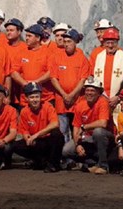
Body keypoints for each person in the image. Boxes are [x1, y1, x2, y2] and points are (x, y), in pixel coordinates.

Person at [48, 28, 91, 157]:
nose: (66, 44)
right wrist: (64, 94)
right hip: (61, 100)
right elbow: (53, 78)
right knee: (63, 130)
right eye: (65, 41)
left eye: (69, 41)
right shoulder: (57, 57)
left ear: (75, 42)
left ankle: (76, 155)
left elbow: (83, 79)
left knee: (77, 129)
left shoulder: (82, 58)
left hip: (77, 100)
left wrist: (72, 95)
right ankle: (63, 157)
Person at [14, 82, 63, 172]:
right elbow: (24, 131)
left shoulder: (48, 106)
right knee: (14, 145)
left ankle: (53, 164)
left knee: (57, 134)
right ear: (27, 99)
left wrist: (36, 135)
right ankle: (40, 161)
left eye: (37, 97)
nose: (35, 100)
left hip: (48, 141)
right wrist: (28, 138)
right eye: (32, 97)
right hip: (36, 142)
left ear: (41, 97)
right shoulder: (24, 111)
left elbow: (55, 124)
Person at [70, 77, 113, 174]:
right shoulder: (80, 105)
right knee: (67, 149)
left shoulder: (103, 102)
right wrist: (78, 144)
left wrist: (84, 127)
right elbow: (76, 126)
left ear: (98, 92)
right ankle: (92, 163)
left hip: (106, 137)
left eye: (92, 90)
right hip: (88, 138)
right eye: (87, 90)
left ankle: (103, 165)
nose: (89, 93)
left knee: (98, 132)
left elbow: (103, 123)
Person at [89, 26, 123, 108]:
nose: (110, 46)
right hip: (100, 98)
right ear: (104, 43)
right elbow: (93, 77)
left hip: (118, 99)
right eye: (107, 43)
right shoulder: (98, 57)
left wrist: (118, 96)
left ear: (117, 43)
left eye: (113, 43)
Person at [10, 23, 54, 108]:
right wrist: (25, 84)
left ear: (37, 38)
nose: (26, 38)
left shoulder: (48, 52)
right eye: (26, 36)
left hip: (45, 99)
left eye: (29, 36)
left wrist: (37, 82)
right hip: (26, 99)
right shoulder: (21, 53)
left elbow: (51, 72)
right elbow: (14, 72)